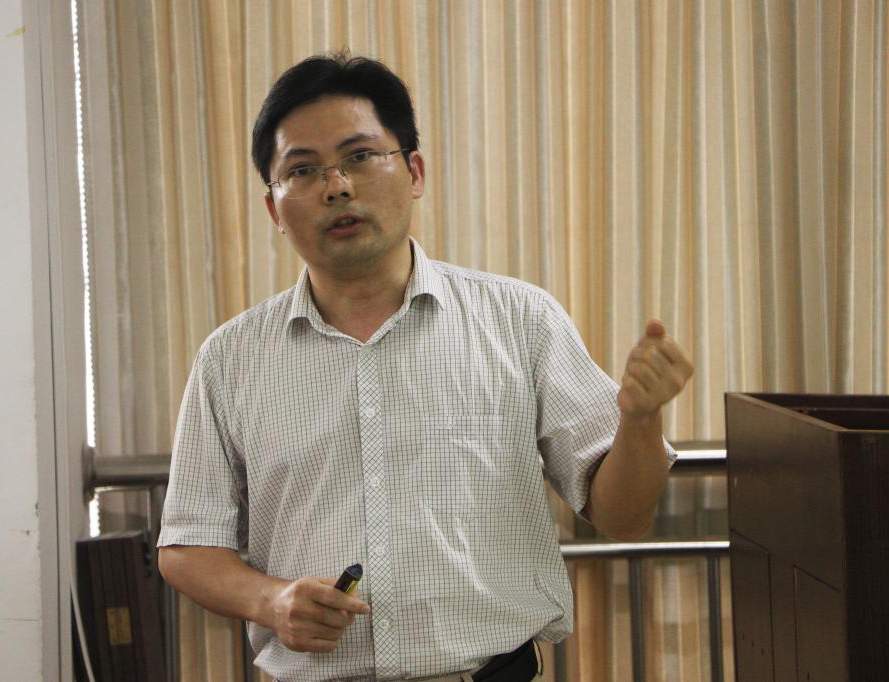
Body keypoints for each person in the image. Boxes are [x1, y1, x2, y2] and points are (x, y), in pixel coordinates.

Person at [157, 52, 694, 682]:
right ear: (275, 209)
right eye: (302, 170)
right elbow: (187, 546)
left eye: (360, 156)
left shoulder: (521, 320)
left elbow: (625, 516)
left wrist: (640, 421)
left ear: (413, 171)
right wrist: (269, 600)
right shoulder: (230, 359)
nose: (337, 187)